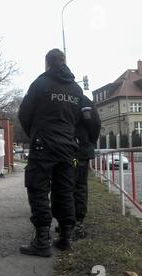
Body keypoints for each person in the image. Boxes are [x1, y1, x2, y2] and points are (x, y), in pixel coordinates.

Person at [18, 49, 84, 257]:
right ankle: (65, 237)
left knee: (38, 189)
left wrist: (36, 134)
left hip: (43, 145)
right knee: (65, 190)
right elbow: (78, 119)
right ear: (64, 62)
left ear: (47, 64)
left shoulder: (40, 83)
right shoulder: (76, 89)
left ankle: (42, 240)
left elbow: (24, 114)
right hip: (67, 147)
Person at [53, 96, 101, 240]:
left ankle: (72, 224)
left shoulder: (63, 96)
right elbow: (94, 124)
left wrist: (86, 142)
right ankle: (71, 224)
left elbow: (94, 123)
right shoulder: (77, 97)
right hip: (74, 150)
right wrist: (88, 142)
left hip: (70, 150)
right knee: (73, 186)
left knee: (70, 186)